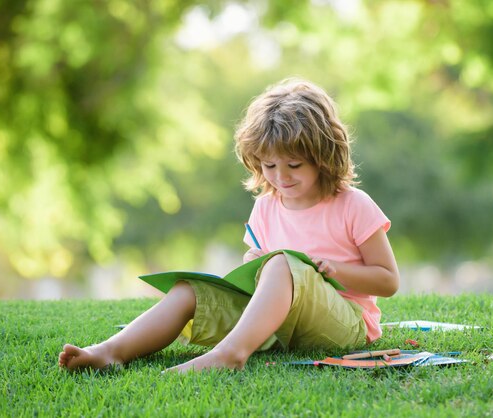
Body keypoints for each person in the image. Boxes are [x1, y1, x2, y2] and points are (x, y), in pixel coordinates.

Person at [58, 78, 399, 373]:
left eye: (294, 164)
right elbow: (256, 259)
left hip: (344, 324)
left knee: (281, 262)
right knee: (187, 290)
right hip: (277, 324)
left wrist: (337, 270)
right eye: (269, 165)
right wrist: (249, 271)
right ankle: (110, 351)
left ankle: (229, 354)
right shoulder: (266, 207)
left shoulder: (353, 204)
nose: (281, 177)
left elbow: (388, 280)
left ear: (323, 156)